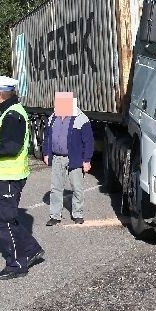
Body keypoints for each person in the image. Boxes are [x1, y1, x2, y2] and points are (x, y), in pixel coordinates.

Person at [0, 75, 44, 280]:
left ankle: (17, 264)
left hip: (9, 177)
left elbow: (11, 147)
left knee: (5, 220)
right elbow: (1, 140)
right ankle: (31, 250)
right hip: (2, 175)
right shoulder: (9, 113)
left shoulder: (12, 115)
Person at [42, 92, 94, 226]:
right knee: (56, 188)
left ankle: (78, 214)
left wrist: (86, 160)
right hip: (57, 157)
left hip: (75, 158)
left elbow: (88, 141)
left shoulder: (81, 118)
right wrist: (46, 153)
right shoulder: (53, 117)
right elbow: (47, 137)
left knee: (77, 188)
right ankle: (55, 216)